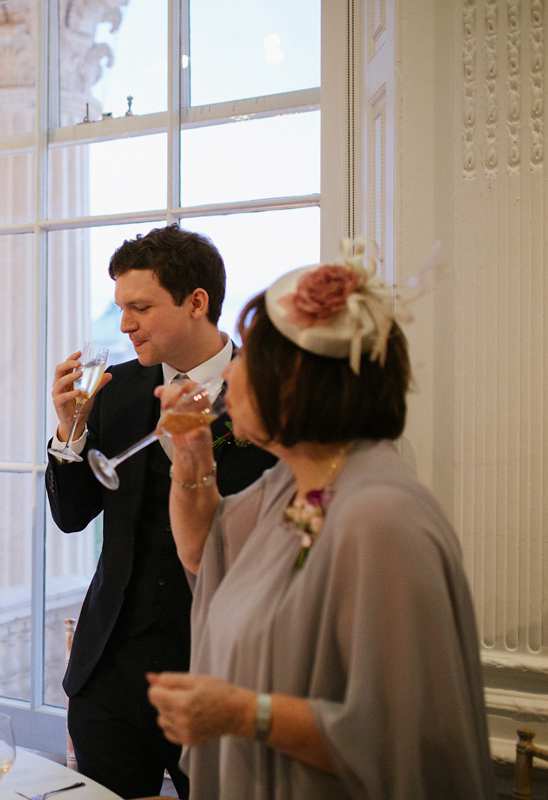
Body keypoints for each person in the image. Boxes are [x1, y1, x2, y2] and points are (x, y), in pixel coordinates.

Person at [150, 242, 494, 798]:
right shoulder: (296, 488)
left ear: (292, 383)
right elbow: (204, 554)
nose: (230, 376)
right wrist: (191, 454)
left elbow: (399, 737)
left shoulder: (379, 518)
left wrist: (242, 713)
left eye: (246, 361)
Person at [45, 225, 276, 799]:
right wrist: (70, 429)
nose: (125, 325)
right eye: (122, 308)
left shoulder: (268, 394)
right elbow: (72, 516)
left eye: (141, 307)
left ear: (197, 302)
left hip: (220, 664)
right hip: (111, 669)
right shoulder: (116, 389)